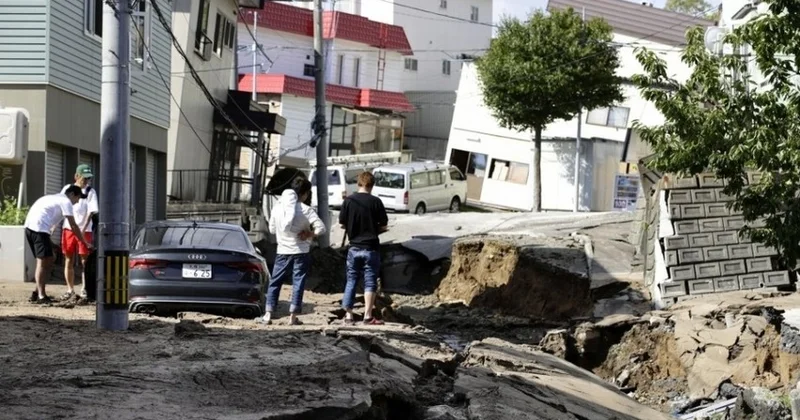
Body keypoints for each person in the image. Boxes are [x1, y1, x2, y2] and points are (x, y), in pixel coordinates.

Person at [260, 177, 326, 325]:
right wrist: (309, 234)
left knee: (275, 281)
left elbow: (271, 229)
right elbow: (322, 228)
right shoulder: (306, 210)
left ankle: (268, 314)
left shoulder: (277, 208)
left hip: (282, 251)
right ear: (304, 194)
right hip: (301, 252)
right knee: (298, 282)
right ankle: (293, 317)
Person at [24, 185, 92, 304]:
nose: (77, 202)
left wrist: (50, 242)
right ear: (71, 194)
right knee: (43, 261)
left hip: (31, 228)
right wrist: (85, 242)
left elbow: (47, 220)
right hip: (38, 229)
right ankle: (40, 296)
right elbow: (74, 226)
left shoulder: (53, 198)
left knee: (50, 259)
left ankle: (37, 292)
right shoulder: (65, 201)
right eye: (77, 198)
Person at [339, 171, 389, 326]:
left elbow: (342, 224)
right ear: (372, 186)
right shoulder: (376, 202)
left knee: (352, 279)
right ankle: (367, 316)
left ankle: (348, 316)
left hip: (354, 247)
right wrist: (375, 230)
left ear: (358, 183)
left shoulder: (348, 201)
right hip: (371, 248)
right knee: (370, 282)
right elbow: (384, 225)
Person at [60, 164, 99, 300]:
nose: (86, 181)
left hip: (85, 230)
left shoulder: (90, 192)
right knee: (68, 258)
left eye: (88, 179)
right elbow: (62, 206)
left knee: (85, 261)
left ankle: (84, 288)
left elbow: (91, 211)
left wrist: (83, 227)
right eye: (84, 178)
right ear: (76, 176)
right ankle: (70, 289)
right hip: (69, 228)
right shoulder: (68, 189)